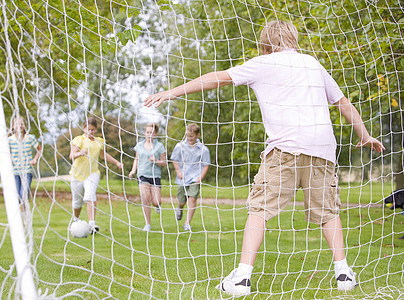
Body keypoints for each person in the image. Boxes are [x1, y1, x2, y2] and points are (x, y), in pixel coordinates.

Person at [144, 20, 385, 296]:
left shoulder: (263, 63)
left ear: (266, 42)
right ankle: (343, 273)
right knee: (328, 211)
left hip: (285, 149)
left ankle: (242, 278)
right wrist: (364, 133)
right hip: (322, 149)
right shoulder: (312, 64)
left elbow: (219, 77)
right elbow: (342, 100)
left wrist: (171, 92)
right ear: (293, 38)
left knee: (258, 210)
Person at [69, 117, 123, 234]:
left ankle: (92, 224)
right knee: (77, 202)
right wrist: (80, 153)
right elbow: (71, 155)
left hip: (92, 173)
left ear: (96, 130)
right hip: (77, 175)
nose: (90, 132)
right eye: (88, 129)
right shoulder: (79, 140)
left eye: (93, 130)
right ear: (84, 128)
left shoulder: (99, 141)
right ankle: (75, 219)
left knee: (90, 195)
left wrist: (117, 162)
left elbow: (104, 155)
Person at [170, 123, 210, 231]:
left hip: (195, 178)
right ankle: (180, 207)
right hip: (183, 178)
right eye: (187, 136)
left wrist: (200, 177)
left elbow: (206, 165)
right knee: (182, 201)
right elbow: (174, 159)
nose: (189, 138)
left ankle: (187, 223)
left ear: (198, 135)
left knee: (192, 199)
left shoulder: (203, 149)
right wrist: (178, 171)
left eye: (191, 136)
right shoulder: (180, 146)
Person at [129, 123, 167, 232]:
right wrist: (133, 171)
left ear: (156, 134)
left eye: (152, 132)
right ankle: (148, 224)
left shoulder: (159, 146)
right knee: (145, 198)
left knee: (156, 201)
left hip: (155, 176)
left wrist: (156, 161)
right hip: (142, 175)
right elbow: (136, 159)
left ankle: (157, 205)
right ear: (145, 133)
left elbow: (164, 162)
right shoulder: (139, 145)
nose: (149, 134)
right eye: (147, 132)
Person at [9, 116, 42, 203]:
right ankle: (18, 215)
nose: (20, 125)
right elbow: (4, 152)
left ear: (24, 126)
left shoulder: (30, 138)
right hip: (15, 171)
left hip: (27, 170)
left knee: (23, 196)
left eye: (22, 124)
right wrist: (9, 160)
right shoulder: (10, 140)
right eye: (17, 124)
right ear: (13, 126)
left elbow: (40, 149)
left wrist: (35, 159)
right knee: (17, 197)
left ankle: (25, 214)